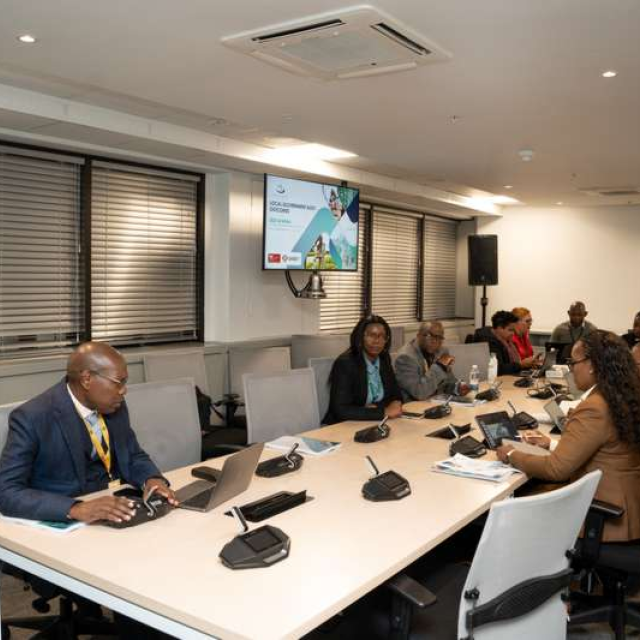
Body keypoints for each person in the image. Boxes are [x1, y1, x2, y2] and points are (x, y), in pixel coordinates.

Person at [0, 342, 177, 523]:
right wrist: (76, 508)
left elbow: (132, 455)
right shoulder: (32, 417)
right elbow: (6, 492)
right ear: (87, 379)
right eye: (119, 382)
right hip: (68, 519)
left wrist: (152, 480)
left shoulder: (114, 404)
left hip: (117, 507)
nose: (124, 390)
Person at [497, 331, 640, 541]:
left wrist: (511, 454)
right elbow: (606, 448)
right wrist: (553, 444)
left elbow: (556, 469)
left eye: (573, 362)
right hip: (629, 505)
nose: (570, 369)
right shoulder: (622, 395)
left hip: (604, 521)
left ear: (592, 365)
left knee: (507, 514)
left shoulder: (595, 407)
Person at [325, 315, 403, 423]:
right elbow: (340, 410)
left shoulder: (384, 358)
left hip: (373, 422)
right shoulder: (346, 363)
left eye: (382, 336)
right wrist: (382, 411)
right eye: (372, 335)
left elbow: (396, 395)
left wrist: (389, 404)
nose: (377, 341)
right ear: (360, 337)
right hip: (343, 425)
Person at [394, 320, 468, 402]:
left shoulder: (441, 351)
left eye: (440, 338)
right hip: (415, 405)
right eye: (431, 336)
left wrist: (457, 388)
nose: (435, 341)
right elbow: (419, 393)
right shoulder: (405, 358)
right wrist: (440, 366)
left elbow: (446, 383)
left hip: (437, 402)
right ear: (419, 336)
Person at [472, 310, 523, 375]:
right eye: (510, 330)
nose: (513, 333)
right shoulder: (489, 341)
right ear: (499, 328)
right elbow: (498, 369)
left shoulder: (505, 340)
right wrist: (521, 365)